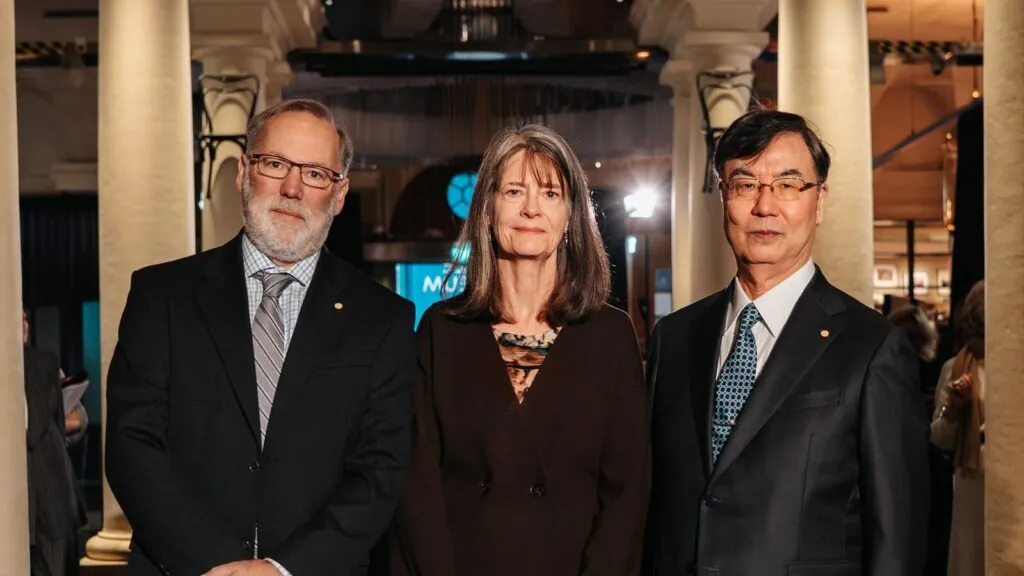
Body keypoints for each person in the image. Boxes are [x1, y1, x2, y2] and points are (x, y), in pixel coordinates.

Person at [105, 98, 416, 576]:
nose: (292, 188)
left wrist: (281, 569)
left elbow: (380, 472)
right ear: (243, 172)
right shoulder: (162, 295)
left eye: (315, 174)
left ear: (339, 195)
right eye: (275, 164)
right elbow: (133, 447)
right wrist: (220, 567)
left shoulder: (383, 319)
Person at [643, 110, 929, 575]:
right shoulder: (674, 338)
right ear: (724, 197)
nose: (765, 206)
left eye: (788, 185)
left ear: (819, 202)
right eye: (745, 184)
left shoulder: (873, 349)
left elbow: (897, 538)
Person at [389, 125, 650, 576]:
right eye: (514, 191)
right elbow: (417, 487)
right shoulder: (442, 329)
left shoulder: (610, 334)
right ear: (488, 209)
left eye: (550, 193)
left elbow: (628, 493)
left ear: (569, 216)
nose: (532, 208)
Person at [23, 311, 86, 576]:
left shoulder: (42, 364)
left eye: (25, 318)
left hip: (50, 499)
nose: (23, 324)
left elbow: (78, 417)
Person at [931, 280, 985, 576]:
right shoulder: (956, 367)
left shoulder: (1015, 364)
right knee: (972, 557)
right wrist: (954, 407)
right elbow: (940, 438)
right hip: (973, 474)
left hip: (1014, 472)